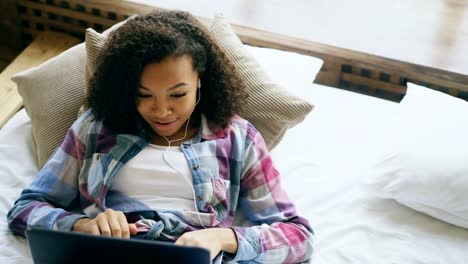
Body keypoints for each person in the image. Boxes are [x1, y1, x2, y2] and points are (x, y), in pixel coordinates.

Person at [7, 9, 313, 263]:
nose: (162, 111)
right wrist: (83, 225)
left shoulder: (237, 138)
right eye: (144, 95)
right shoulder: (96, 128)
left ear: (201, 82)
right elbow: (26, 210)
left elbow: (298, 236)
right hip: (107, 255)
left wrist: (220, 237)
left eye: (178, 94)